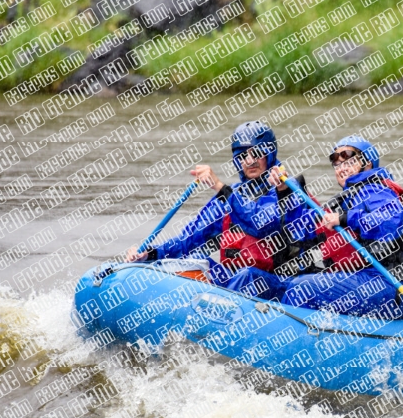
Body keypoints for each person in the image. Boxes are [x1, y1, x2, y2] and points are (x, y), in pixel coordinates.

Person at [125, 121, 311, 297]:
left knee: (247, 276)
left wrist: (220, 187)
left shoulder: (287, 188)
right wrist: (149, 254)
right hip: (237, 283)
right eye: (242, 156)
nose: (249, 160)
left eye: (256, 153)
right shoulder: (230, 195)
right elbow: (186, 242)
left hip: (282, 284)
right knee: (194, 260)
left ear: (269, 154)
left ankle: (219, 317)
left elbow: (261, 225)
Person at [278, 135, 403, 319]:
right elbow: (301, 234)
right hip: (366, 283)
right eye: (337, 163)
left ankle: (294, 341)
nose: (342, 167)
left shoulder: (375, 190)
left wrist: (346, 218)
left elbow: (391, 222)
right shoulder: (346, 201)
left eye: (349, 160)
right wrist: (285, 193)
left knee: (302, 288)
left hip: (394, 287)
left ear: (367, 164)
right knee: (288, 284)